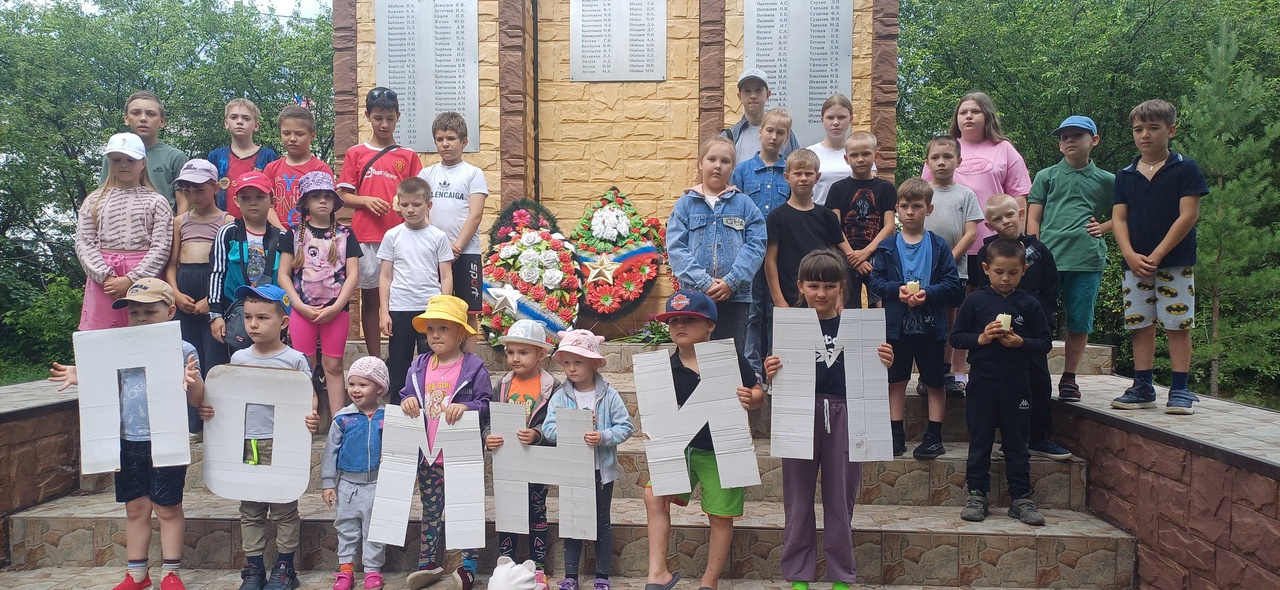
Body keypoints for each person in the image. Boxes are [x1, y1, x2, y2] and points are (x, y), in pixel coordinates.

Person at [48, 279, 205, 590]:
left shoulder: (183, 349)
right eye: (135, 312)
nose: (141, 318)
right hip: (128, 439)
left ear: (170, 311)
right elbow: (105, 383)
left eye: (149, 311)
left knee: (168, 507)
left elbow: (197, 399)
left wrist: (192, 379)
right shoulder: (117, 347)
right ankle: (137, 574)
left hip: (167, 437)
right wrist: (83, 374)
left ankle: (170, 573)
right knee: (136, 508)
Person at [761, 250, 894, 590]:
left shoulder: (857, 328)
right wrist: (771, 371)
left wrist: (884, 361)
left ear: (841, 288)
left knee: (840, 498)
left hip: (845, 413)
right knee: (798, 497)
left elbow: (869, 373)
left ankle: (841, 575)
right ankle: (799, 574)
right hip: (799, 413)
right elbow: (775, 376)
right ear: (801, 286)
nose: (821, 293)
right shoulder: (789, 328)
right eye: (814, 286)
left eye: (829, 286)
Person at [644, 290, 764, 590]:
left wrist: (752, 398)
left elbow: (758, 392)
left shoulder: (729, 358)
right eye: (673, 321)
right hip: (682, 449)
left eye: (689, 320)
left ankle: (709, 582)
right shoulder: (664, 369)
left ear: (710, 325)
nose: (679, 326)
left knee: (721, 516)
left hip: (722, 451)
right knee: (653, 495)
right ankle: (657, 572)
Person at [213, 284, 320, 590]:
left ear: (283, 322)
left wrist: (311, 417)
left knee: (284, 506)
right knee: (251, 507)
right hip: (249, 444)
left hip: (282, 444)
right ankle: (254, 567)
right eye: (248, 317)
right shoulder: (240, 358)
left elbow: (309, 399)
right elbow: (228, 399)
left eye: (262, 317)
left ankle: (285, 566)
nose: (253, 324)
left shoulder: (295, 360)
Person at [1111, 99, 1208, 415]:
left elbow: (1188, 216)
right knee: (1140, 323)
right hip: (1135, 265)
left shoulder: (1185, 168)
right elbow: (1119, 218)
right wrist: (1129, 253)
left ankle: (1180, 388)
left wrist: (1157, 253)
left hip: (1174, 261)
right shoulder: (1125, 174)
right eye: (1139, 129)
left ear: (1171, 130)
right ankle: (1142, 386)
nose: (1145, 135)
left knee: (1177, 323)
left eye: (1154, 128)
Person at [950, 238, 1053, 526]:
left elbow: (1044, 343)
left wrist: (1021, 343)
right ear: (985, 269)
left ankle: (1021, 498)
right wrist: (981, 339)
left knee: (1017, 443)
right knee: (980, 441)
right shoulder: (975, 301)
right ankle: (976, 494)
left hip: (1017, 383)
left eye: (1012, 272)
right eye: (998, 272)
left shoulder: (1030, 305)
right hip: (982, 382)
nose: (1005, 278)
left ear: (1024, 270)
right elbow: (957, 338)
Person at [398, 295, 493, 590]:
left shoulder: (473, 367)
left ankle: (468, 566)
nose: (435, 335)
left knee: (465, 506)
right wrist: (408, 399)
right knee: (430, 508)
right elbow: (404, 394)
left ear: (461, 333)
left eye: (444, 328)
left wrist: (468, 407)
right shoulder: (419, 364)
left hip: (461, 453)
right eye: (430, 329)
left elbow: (486, 402)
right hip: (428, 453)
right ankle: (428, 561)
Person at [972, 194, 1070, 461]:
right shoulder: (986, 252)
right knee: (1003, 388)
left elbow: (1052, 288)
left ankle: (1039, 437)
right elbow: (982, 292)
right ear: (990, 225)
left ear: (1021, 214)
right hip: (998, 335)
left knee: (1038, 382)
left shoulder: (1038, 251)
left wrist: (1041, 317)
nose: (1006, 221)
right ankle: (1008, 440)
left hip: (1031, 334)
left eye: (1010, 215)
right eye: (998, 219)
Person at [869, 179, 962, 459]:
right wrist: (895, 291)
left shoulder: (939, 246)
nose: (910, 212)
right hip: (896, 328)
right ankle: (895, 435)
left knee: (934, 381)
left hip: (931, 327)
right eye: (905, 206)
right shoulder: (887, 246)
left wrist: (928, 293)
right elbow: (875, 281)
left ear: (929, 209)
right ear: (897, 209)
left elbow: (952, 284)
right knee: (895, 380)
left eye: (917, 206)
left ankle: (934, 436)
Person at [1027, 115, 1115, 402]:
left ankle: (1069, 378)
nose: (1069, 141)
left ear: (1095, 140)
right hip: (1048, 261)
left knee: (1079, 321)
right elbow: (1034, 218)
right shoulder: (1046, 176)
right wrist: (1033, 252)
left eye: (1077, 135)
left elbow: (1127, 213)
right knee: (1038, 320)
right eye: (1064, 137)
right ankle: (1033, 373)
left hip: (1087, 259)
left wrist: (1104, 226)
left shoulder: (1108, 180)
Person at [542, 329, 634, 590]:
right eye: (567, 362)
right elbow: (549, 430)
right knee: (572, 521)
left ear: (594, 362)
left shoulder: (608, 395)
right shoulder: (560, 396)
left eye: (578, 362)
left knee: (601, 521)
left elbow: (625, 427)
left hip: (600, 471)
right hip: (572, 469)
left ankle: (602, 576)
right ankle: (570, 576)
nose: (571, 368)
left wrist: (602, 436)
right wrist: (571, 430)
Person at [338, 87, 424, 360]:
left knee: (404, 296)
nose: (384, 124)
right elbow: (343, 195)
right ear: (367, 117)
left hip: (402, 237)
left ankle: (403, 357)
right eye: (378, 118)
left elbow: (419, 193)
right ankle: (375, 358)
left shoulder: (408, 155)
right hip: (366, 236)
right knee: (371, 298)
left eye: (389, 118)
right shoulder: (356, 153)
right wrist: (365, 201)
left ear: (398, 116)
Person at [667, 136, 766, 354]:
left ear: (733, 167)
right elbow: (676, 248)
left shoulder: (744, 204)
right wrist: (703, 282)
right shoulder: (685, 205)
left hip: (735, 296)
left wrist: (731, 281)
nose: (718, 165)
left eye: (725, 161)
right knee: (693, 354)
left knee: (730, 355)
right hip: (694, 296)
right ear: (700, 163)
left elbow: (757, 245)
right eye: (712, 159)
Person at [484, 320, 562, 589]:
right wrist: (488, 436)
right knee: (507, 512)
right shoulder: (502, 385)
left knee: (536, 511)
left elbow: (556, 423)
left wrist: (538, 434)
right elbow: (489, 420)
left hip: (537, 460)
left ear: (541, 354)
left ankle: (537, 567)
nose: (514, 358)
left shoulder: (553, 387)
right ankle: (505, 565)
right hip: (507, 461)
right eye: (510, 352)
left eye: (523, 352)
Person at [277, 172, 362, 417]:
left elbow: (353, 274)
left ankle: (338, 420)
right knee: (305, 364)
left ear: (335, 202)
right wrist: (298, 306)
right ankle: (302, 417)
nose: (322, 201)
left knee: (333, 365)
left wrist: (336, 307)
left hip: (336, 311)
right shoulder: (292, 234)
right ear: (305, 202)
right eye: (316, 197)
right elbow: (283, 274)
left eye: (327, 196)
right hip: (302, 310)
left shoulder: (345, 235)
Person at [77, 132, 174, 331]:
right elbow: (83, 242)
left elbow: (162, 246)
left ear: (143, 163)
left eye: (131, 160)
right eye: (117, 160)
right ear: (108, 162)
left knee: (146, 330)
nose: (124, 165)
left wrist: (132, 278)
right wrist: (105, 277)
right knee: (103, 335)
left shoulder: (157, 201)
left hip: (145, 278)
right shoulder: (93, 201)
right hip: (104, 280)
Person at [165, 159, 232, 432]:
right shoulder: (179, 221)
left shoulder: (228, 221)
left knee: (213, 355)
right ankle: (192, 424)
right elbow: (171, 265)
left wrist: (212, 301)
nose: (194, 195)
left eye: (200, 189)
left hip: (212, 288)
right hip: (183, 289)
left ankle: (214, 422)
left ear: (215, 188)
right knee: (186, 357)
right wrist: (176, 293)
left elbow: (227, 266)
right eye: (187, 189)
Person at [379, 177, 455, 398]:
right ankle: (396, 414)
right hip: (400, 308)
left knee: (431, 363)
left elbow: (446, 275)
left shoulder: (439, 237)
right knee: (398, 364)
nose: (410, 210)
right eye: (405, 205)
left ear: (428, 205)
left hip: (430, 310)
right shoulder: (392, 235)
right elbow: (385, 276)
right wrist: (384, 312)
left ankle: (430, 410)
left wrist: (444, 310)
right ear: (398, 205)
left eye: (416, 205)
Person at [732, 107, 793, 377]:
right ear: (760, 132)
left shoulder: (791, 171)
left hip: (782, 254)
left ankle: (775, 369)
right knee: (753, 311)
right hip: (750, 254)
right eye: (770, 130)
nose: (774, 137)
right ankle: (753, 372)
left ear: (788, 136)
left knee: (777, 311)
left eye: (781, 132)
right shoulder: (743, 171)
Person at [321, 355, 391, 590]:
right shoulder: (343, 418)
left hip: (377, 484)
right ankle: (345, 570)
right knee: (347, 529)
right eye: (352, 384)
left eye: (363, 384)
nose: (355, 390)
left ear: (379, 388)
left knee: (375, 530)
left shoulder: (386, 418)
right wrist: (328, 483)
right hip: (347, 486)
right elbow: (331, 452)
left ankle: (372, 570)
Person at [418, 112, 488, 340]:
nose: (445, 144)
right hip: (434, 253)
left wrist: (456, 246)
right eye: (440, 139)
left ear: (464, 142)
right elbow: (422, 212)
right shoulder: (426, 174)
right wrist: (442, 245)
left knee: (469, 311)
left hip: (466, 252)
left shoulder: (473, 174)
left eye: (451, 138)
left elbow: (475, 215)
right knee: (438, 309)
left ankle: (469, 364)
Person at [922, 136, 982, 397]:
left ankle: (946, 371)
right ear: (927, 162)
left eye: (947, 157)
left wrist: (946, 260)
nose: (941, 162)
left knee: (948, 322)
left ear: (959, 160)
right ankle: (927, 374)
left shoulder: (966, 194)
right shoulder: (921, 192)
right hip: (922, 270)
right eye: (935, 158)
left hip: (954, 271)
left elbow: (970, 232)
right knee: (924, 322)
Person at [764, 148, 857, 311]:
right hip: (789, 297)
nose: (803, 179)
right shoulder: (776, 217)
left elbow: (836, 259)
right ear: (787, 177)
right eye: (798, 174)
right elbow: (770, 261)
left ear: (817, 177)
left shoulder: (828, 216)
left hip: (825, 297)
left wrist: (839, 298)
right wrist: (778, 299)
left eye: (808, 174)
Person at [207, 171, 288, 354]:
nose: (253, 202)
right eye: (246, 197)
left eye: (260, 197)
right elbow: (217, 272)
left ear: (272, 201)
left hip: (274, 314)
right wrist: (215, 314)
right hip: (235, 312)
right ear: (236, 201)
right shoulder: (227, 233)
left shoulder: (282, 237)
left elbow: (290, 279)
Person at [826, 131, 898, 308]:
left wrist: (866, 252)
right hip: (846, 256)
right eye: (854, 155)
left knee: (879, 308)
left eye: (866, 153)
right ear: (846, 158)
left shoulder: (886, 188)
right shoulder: (837, 189)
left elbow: (889, 226)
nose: (860, 159)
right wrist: (852, 257)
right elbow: (834, 227)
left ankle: (879, 337)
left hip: (877, 256)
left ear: (876, 155)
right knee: (848, 308)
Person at [101, 91, 189, 212]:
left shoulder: (175, 157)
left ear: (162, 121)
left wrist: (178, 230)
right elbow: (103, 195)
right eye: (136, 113)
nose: (143, 119)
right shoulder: (113, 156)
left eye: (151, 114)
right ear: (126, 119)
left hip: (164, 227)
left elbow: (183, 203)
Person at [262, 105, 334, 230]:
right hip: (278, 234)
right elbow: (267, 206)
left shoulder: (320, 169)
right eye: (286, 133)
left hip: (311, 235)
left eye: (299, 134)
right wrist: (283, 232)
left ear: (312, 135)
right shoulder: (271, 168)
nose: (292, 139)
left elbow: (326, 207)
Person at [208, 98, 278, 216]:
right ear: (226, 123)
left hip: (259, 224)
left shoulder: (268, 156)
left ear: (256, 126)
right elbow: (208, 194)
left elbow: (273, 196)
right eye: (234, 117)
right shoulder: (216, 157)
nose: (239, 122)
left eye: (246, 118)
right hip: (222, 224)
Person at [720, 69, 799, 160]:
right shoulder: (729, 137)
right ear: (739, 96)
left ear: (768, 94)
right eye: (747, 90)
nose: (753, 96)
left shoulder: (784, 134)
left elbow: (797, 167)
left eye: (758, 90)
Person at [806, 95, 854, 206]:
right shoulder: (810, 153)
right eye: (830, 117)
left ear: (851, 119)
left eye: (841, 117)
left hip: (853, 218)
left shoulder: (861, 154)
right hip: (819, 217)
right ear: (822, 119)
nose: (836, 122)